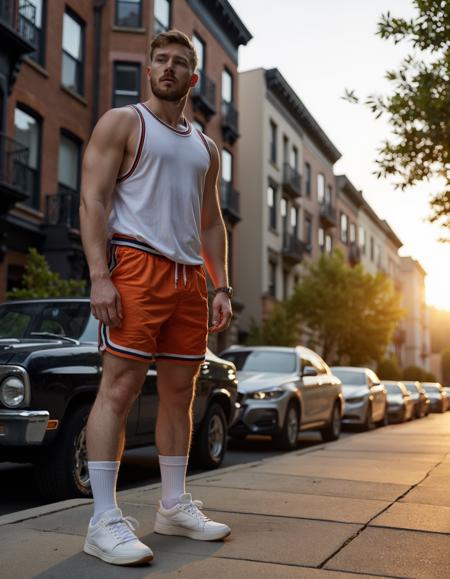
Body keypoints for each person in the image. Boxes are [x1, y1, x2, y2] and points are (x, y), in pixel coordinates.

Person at [79, 29, 233, 566]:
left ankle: (172, 505)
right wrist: (100, 276)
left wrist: (221, 286)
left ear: (193, 77)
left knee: (179, 392)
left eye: (179, 63)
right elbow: (93, 201)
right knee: (118, 388)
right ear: (149, 71)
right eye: (160, 61)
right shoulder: (124, 122)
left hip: (190, 278)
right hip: (136, 265)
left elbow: (211, 222)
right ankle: (103, 521)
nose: (169, 69)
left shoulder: (206, 148)